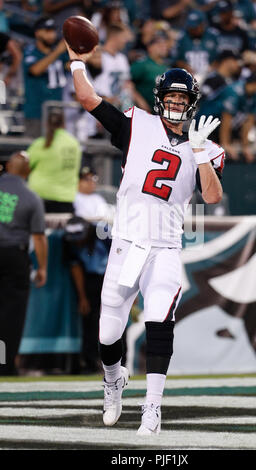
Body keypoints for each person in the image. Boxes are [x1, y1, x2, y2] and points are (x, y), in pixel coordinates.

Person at [66, 38, 224, 435]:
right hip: (125, 242)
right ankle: (113, 379)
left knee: (158, 319)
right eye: (169, 96)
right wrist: (76, 63)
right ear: (158, 99)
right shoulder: (136, 123)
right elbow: (87, 98)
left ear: (191, 103)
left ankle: (152, 408)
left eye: (181, 97)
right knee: (107, 334)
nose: (174, 103)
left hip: (165, 248)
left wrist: (201, 153)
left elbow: (212, 195)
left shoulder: (203, 143)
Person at [0, 151, 47, 376]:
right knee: (12, 315)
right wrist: (43, 268)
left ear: (8, 166)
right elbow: (38, 237)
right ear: (27, 172)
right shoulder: (31, 198)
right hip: (14, 256)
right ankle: (4, 364)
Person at [64, 215, 111, 374]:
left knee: (113, 320)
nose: (77, 242)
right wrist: (82, 297)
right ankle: (91, 363)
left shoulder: (103, 232)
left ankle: (118, 361)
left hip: (109, 277)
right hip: (89, 279)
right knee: (89, 321)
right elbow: (75, 266)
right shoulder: (69, 241)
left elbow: (118, 260)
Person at [27, 108, 82, 213]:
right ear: (64, 124)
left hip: (40, 198)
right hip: (66, 200)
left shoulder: (40, 144)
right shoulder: (74, 143)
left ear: (46, 124)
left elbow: (25, 167)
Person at [22, 16, 68, 138]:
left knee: (57, 149)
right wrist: (57, 52)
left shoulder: (59, 53)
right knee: (34, 148)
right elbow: (35, 70)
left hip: (57, 111)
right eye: (47, 31)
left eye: (53, 31)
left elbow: (71, 66)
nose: (52, 35)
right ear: (37, 33)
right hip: (36, 112)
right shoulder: (30, 51)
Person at [219, 67, 256, 162]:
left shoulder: (255, 97)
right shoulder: (235, 91)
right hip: (207, 125)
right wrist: (225, 143)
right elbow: (226, 118)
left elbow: (249, 122)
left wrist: (245, 146)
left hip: (224, 127)